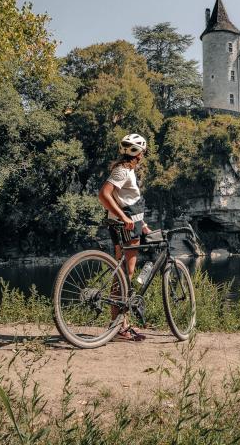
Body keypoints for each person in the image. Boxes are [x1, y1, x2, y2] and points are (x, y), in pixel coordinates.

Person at [98, 133, 151, 342]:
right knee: (125, 275)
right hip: (126, 226)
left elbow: (127, 201)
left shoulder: (126, 170)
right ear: (139, 154)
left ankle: (120, 324)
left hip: (131, 224)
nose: (142, 157)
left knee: (123, 274)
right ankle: (120, 326)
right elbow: (104, 194)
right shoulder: (123, 171)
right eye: (143, 153)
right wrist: (123, 217)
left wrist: (143, 225)